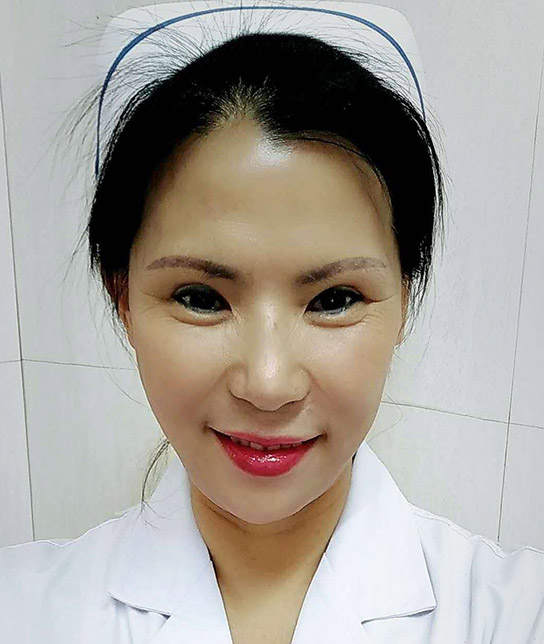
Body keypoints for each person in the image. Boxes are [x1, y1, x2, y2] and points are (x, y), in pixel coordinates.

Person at [1, 23, 544, 644]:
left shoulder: (515, 615)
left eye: (334, 300)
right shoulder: (23, 610)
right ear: (121, 297)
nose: (267, 384)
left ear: (405, 300)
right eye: (201, 298)